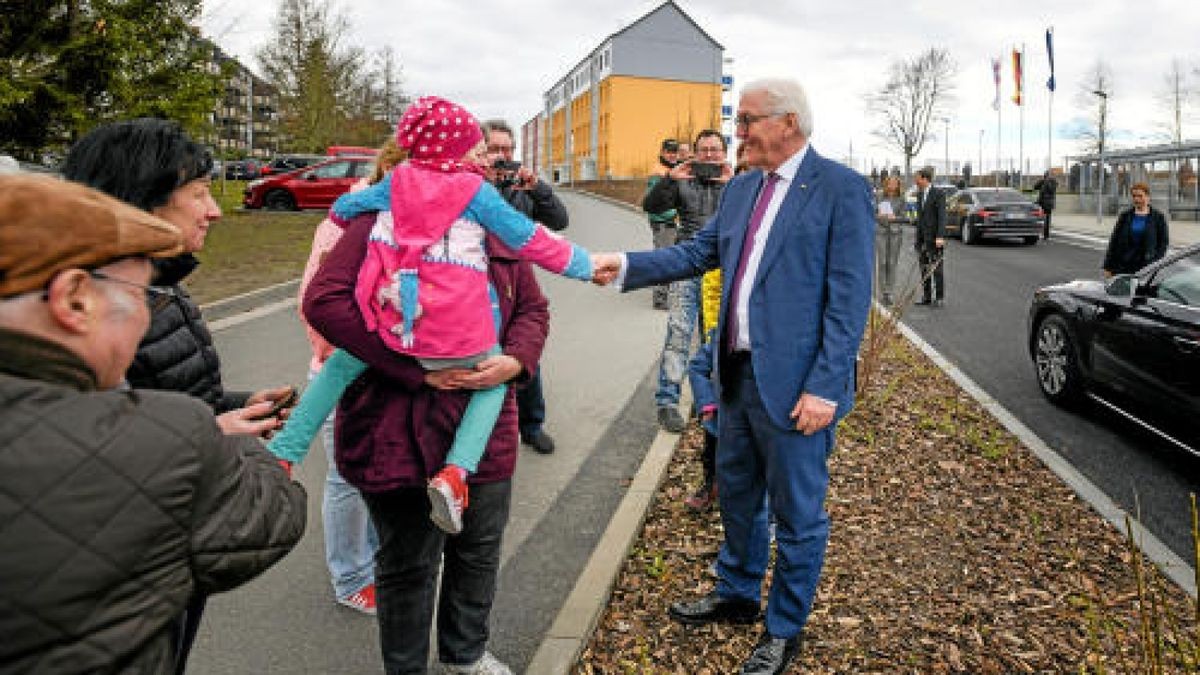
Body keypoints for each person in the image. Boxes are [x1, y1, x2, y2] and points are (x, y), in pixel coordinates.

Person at [593, 77, 874, 674]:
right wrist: (624, 267)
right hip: (737, 377)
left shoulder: (841, 189)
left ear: (788, 123)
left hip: (798, 389)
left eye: (747, 121)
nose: (736, 133)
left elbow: (850, 300)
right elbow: (698, 254)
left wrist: (826, 386)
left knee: (799, 516)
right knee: (740, 496)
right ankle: (739, 592)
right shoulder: (743, 188)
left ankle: (784, 628)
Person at [0, 174, 306, 673]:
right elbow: (270, 518)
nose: (145, 317)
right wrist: (219, 439)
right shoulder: (169, 438)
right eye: (141, 296)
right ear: (75, 299)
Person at [267, 96, 593, 536]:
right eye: (479, 150)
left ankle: (286, 451)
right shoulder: (476, 194)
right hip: (454, 337)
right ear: (458, 152)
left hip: (396, 320)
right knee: (492, 383)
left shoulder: (394, 187)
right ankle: (456, 473)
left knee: (340, 364)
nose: (487, 160)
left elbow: (343, 211)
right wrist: (588, 266)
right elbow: (532, 237)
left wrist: (349, 218)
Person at [302, 176, 552, 675]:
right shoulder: (376, 225)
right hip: (398, 428)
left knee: (478, 551)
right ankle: (406, 666)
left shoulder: (494, 232)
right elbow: (323, 302)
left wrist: (516, 360)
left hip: (485, 431)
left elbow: (533, 309)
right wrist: (412, 368)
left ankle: (465, 654)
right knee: (408, 564)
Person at [296, 140, 407, 615]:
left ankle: (383, 560)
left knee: (384, 473)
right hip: (344, 373)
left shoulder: (415, 222)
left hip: (390, 376)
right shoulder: (347, 221)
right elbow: (316, 303)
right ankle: (351, 577)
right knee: (345, 478)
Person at [482, 118, 567, 455]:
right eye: (495, 149)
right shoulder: (471, 186)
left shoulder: (524, 189)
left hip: (519, 283)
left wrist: (539, 188)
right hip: (480, 282)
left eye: (508, 149)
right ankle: (485, 429)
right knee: (484, 354)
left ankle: (532, 426)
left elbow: (560, 221)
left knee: (524, 352)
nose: (503, 156)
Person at [642, 129, 733, 433]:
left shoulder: (737, 184)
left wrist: (735, 184)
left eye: (715, 150)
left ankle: (709, 399)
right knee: (679, 332)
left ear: (724, 152)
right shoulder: (682, 181)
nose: (709, 155)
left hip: (721, 270)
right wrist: (671, 179)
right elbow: (651, 207)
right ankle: (668, 401)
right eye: (703, 150)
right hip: (687, 264)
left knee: (716, 336)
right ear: (693, 153)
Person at [1103, 181, 1170, 277]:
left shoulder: (1158, 218)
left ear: (1147, 197)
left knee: (1141, 291)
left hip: (1146, 267)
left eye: (1140, 196)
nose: (1137, 199)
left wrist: (1155, 264)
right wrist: (1108, 266)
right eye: (1134, 196)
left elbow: (1163, 244)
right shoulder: (1125, 216)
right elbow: (1114, 242)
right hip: (1123, 266)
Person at [644, 138, 681, 309]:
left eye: (675, 152)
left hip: (670, 223)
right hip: (663, 223)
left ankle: (666, 293)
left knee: (670, 259)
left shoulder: (671, 169)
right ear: (662, 152)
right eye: (669, 152)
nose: (673, 155)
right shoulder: (658, 173)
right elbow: (653, 203)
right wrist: (675, 214)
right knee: (663, 259)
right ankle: (660, 299)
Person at [913, 166, 947, 307]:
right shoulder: (920, 195)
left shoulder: (938, 193)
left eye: (917, 178)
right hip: (922, 239)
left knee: (937, 269)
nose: (916, 181)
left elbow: (942, 217)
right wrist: (917, 239)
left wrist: (940, 236)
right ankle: (926, 296)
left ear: (925, 179)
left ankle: (939, 298)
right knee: (924, 269)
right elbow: (920, 218)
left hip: (935, 239)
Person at [875, 176, 906, 306]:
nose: (893, 185)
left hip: (895, 233)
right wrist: (878, 215)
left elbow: (904, 217)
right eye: (891, 183)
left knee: (892, 262)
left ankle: (889, 292)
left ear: (898, 185)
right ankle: (883, 292)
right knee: (882, 262)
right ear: (886, 184)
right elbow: (872, 212)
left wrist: (895, 217)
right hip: (881, 231)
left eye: (895, 183)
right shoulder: (879, 196)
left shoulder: (901, 198)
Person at [1033, 170, 1057, 239]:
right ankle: (1044, 234)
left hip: (1045, 203)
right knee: (1044, 219)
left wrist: (1046, 182)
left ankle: (1043, 234)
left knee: (1043, 219)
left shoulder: (1051, 182)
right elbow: (1035, 187)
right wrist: (1041, 181)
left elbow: (1049, 190)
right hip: (1045, 203)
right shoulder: (1046, 182)